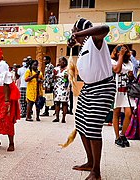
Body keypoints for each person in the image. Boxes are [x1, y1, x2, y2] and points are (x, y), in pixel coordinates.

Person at [68, 18, 116, 180]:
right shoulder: (83, 47)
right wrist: (76, 42)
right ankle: (90, 161)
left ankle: (96, 171)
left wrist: (78, 33)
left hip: (102, 87)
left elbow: (105, 27)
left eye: (75, 30)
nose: (74, 34)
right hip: (88, 88)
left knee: (93, 128)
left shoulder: (95, 40)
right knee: (81, 124)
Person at [111, 44, 135, 147]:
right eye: (119, 50)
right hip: (117, 91)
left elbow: (132, 76)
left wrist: (131, 76)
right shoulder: (112, 61)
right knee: (116, 113)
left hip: (127, 92)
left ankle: (122, 134)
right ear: (116, 52)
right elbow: (117, 70)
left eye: (123, 50)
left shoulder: (130, 63)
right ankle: (117, 137)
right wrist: (120, 56)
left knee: (129, 114)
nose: (121, 51)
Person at [52, 57, 70, 123]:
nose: (59, 63)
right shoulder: (56, 69)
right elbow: (53, 78)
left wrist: (65, 78)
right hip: (57, 87)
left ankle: (63, 118)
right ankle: (57, 117)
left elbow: (69, 78)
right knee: (57, 102)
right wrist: (54, 74)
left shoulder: (68, 69)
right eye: (59, 61)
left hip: (64, 88)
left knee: (64, 103)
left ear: (64, 62)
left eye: (61, 61)